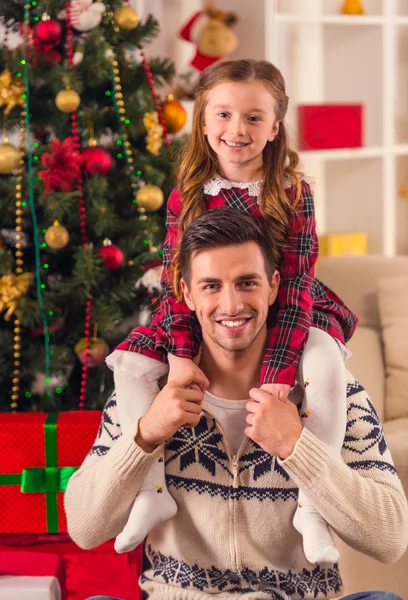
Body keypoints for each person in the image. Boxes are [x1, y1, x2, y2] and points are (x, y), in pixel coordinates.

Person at [65, 209, 408, 600]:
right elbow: (84, 527)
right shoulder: (146, 390)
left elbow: (390, 538)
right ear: (187, 294)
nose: (231, 305)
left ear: (273, 286)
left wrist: (300, 448)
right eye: (212, 286)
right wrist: (144, 436)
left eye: (247, 283)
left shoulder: (333, 392)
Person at [105, 58, 358, 564]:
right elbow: (178, 285)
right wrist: (179, 356)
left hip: (286, 307)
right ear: (202, 121)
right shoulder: (187, 196)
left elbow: (298, 283)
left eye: (253, 118)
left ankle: (312, 503)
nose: (236, 130)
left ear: (275, 126)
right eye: (222, 115)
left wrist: (279, 372)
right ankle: (151, 493)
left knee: (328, 365)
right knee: (129, 367)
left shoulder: (292, 193)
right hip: (201, 307)